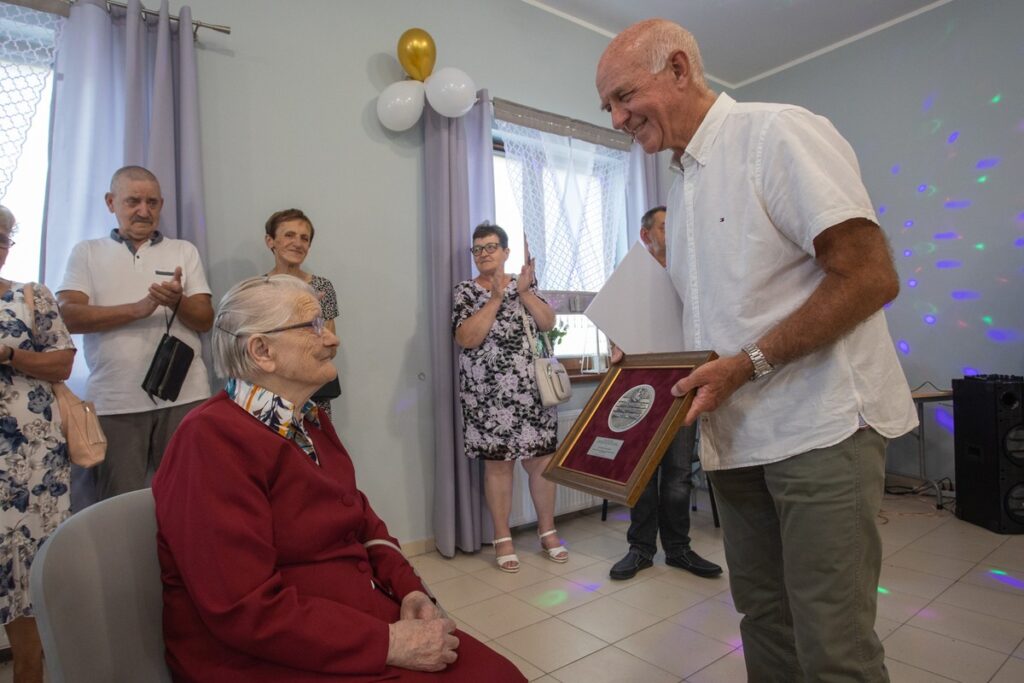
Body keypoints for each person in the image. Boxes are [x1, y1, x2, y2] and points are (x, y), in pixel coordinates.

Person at [597, 19, 917, 682]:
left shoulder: (777, 133)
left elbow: (869, 274)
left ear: (679, 69)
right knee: (763, 622)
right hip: (736, 440)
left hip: (819, 428)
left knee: (833, 643)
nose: (617, 117)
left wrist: (751, 363)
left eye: (624, 96)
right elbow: (718, 311)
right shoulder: (680, 184)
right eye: (606, 106)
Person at [152, 275, 525, 682]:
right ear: (262, 350)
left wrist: (409, 589)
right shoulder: (210, 439)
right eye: (312, 326)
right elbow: (244, 608)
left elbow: (360, 517)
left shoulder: (307, 419)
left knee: (499, 674)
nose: (332, 339)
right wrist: (389, 643)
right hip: (267, 654)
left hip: (346, 621)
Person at [57, 166, 214, 502]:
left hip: (185, 397)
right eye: (133, 201)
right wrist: (138, 309)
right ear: (111, 202)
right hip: (115, 401)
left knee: (189, 498)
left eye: (152, 202)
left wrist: (176, 301)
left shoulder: (184, 251)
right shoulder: (87, 252)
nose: (144, 211)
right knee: (118, 504)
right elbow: (67, 316)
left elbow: (204, 319)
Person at [609, 206, 721, 581]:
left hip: (683, 386)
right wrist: (617, 346)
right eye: (664, 226)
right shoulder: (631, 281)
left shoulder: (693, 275)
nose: (673, 231)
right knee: (641, 473)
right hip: (641, 388)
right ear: (647, 235)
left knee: (677, 474)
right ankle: (640, 549)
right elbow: (616, 328)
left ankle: (678, 549)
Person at [452, 223, 568, 572]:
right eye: (478, 249)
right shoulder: (464, 292)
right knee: (498, 466)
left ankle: (547, 531)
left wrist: (525, 293)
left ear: (505, 252)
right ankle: (503, 537)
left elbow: (548, 323)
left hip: (531, 391)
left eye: (491, 247)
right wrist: (497, 298)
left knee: (541, 463)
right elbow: (466, 338)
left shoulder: (526, 286)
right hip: (486, 395)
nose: (484, 253)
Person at [0, 205, 75, 683]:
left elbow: (62, 364)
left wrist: (8, 352)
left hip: (32, 463)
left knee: (30, 578)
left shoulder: (32, 297)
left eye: (3, 237)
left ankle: (32, 672)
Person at [263, 208, 339, 419]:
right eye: (289, 235)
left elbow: (330, 351)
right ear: (270, 241)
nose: (298, 243)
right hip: (272, 391)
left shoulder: (322, 287)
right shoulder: (259, 290)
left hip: (314, 393)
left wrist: (313, 318)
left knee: (316, 450)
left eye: (304, 238)